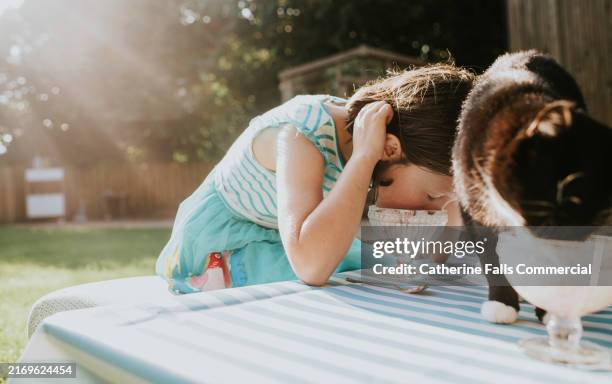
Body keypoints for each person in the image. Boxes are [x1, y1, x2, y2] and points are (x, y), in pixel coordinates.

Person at [156, 64, 474, 294]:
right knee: (346, 275)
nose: (438, 208)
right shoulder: (300, 135)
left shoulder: (386, 152)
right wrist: (363, 159)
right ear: (390, 148)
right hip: (227, 244)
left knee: (381, 268)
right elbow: (310, 266)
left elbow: (438, 258)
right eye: (433, 196)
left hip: (292, 238)